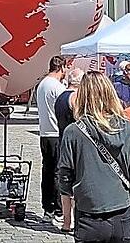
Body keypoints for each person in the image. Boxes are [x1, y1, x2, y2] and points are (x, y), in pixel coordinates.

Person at [58, 71, 130, 243]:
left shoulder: (73, 132)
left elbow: (64, 175)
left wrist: (75, 191)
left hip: (88, 214)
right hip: (122, 213)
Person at [37, 55, 68, 223]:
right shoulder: (57, 87)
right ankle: (57, 209)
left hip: (45, 133)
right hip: (56, 133)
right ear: (61, 68)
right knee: (58, 172)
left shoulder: (42, 85)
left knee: (47, 171)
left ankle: (47, 207)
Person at [55, 67, 85, 233]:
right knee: (76, 184)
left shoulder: (61, 96)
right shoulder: (74, 97)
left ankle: (67, 222)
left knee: (66, 186)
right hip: (75, 146)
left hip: (62, 141)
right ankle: (76, 221)